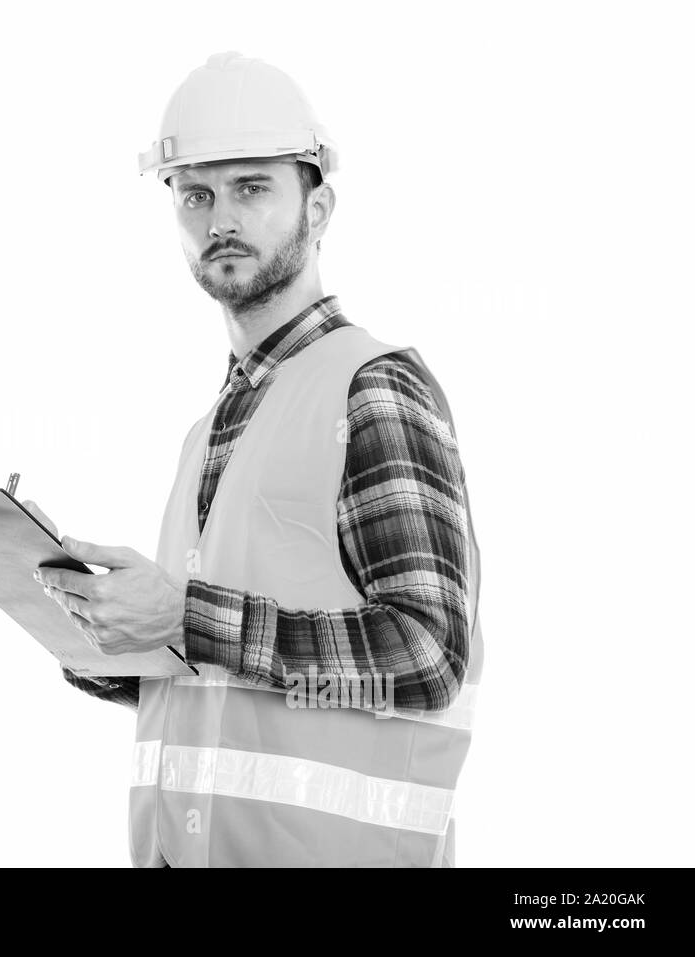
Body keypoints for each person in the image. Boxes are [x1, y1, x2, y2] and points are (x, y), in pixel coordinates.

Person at [29, 52, 483, 867]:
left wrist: (185, 618)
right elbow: (246, 682)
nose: (220, 219)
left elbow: (426, 657)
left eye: (253, 187)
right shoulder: (206, 431)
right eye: (196, 194)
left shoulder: (372, 391)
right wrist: (122, 649)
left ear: (319, 207)